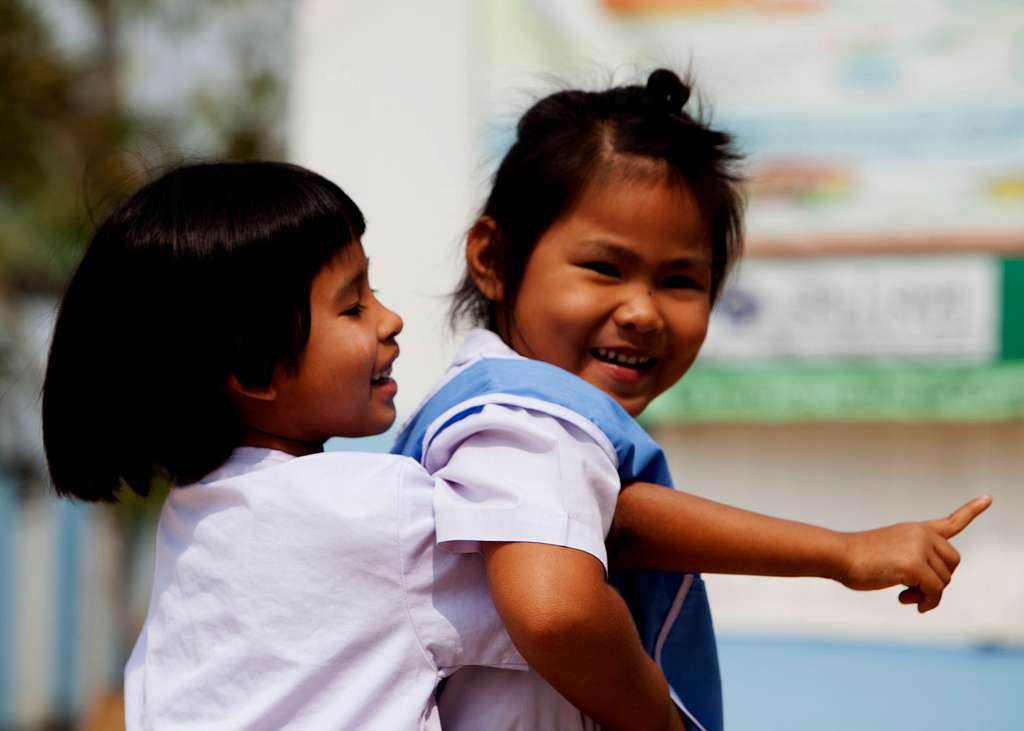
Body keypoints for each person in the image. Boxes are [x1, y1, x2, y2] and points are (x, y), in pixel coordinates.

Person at [393, 69, 991, 731]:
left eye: (680, 279)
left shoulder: (509, 415)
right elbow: (555, 610)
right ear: (494, 257)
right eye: (604, 268)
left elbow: (625, 520)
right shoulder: (529, 418)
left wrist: (845, 553)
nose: (643, 311)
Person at [41, 161, 530, 730]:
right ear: (254, 368)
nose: (390, 320)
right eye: (352, 306)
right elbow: (553, 571)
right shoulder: (373, 512)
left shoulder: (195, 518)